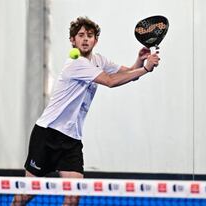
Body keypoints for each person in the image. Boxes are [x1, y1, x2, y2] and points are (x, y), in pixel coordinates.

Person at [12, 16, 160, 205]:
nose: (85, 39)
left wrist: (139, 62)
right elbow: (110, 81)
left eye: (89, 35)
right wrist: (146, 69)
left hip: (72, 139)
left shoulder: (99, 60)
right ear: (72, 40)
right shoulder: (76, 64)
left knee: (73, 196)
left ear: (95, 40)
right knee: (25, 195)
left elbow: (127, 73)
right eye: (80, 35)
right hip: (47, 135)